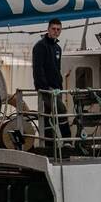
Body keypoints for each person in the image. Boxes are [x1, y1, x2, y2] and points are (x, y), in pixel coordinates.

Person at [32, 18, 67, 155]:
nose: (56, 32)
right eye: (53, 29)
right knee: (62, 111)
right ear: (48, 29)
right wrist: (44, 87)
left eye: (58, 29)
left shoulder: (57, 48)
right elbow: (38, 69)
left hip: (56, 88)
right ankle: (68, 140)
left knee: (48, 117)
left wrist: (60, 85)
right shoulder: (40, 46)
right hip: (46, 89)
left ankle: (49, 144)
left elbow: (56, 69)